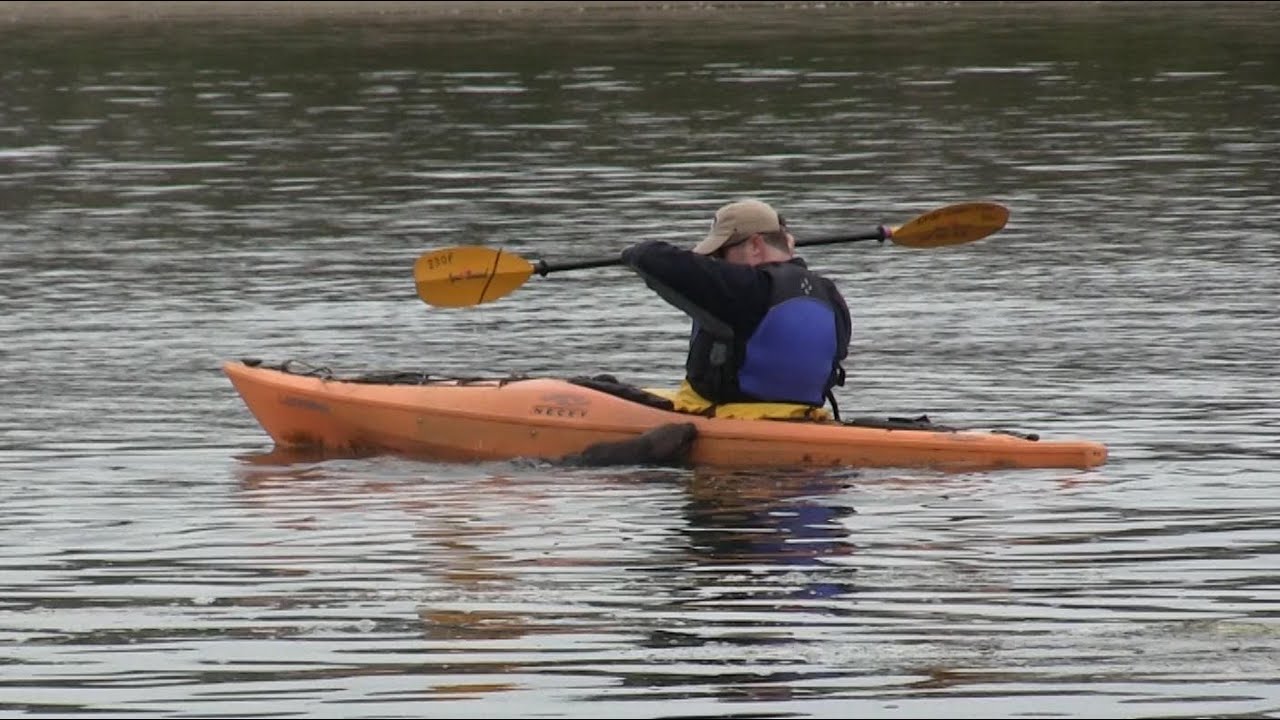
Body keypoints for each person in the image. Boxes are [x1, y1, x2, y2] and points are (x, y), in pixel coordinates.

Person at [621, 199, 852, 414]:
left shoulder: (746, 289)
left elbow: (649, 256)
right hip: (805, 417)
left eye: (719, 254)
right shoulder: (831, 296)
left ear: (754, 245)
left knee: (595, 387)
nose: (716, 264)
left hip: (726, 416)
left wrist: (629, 255)